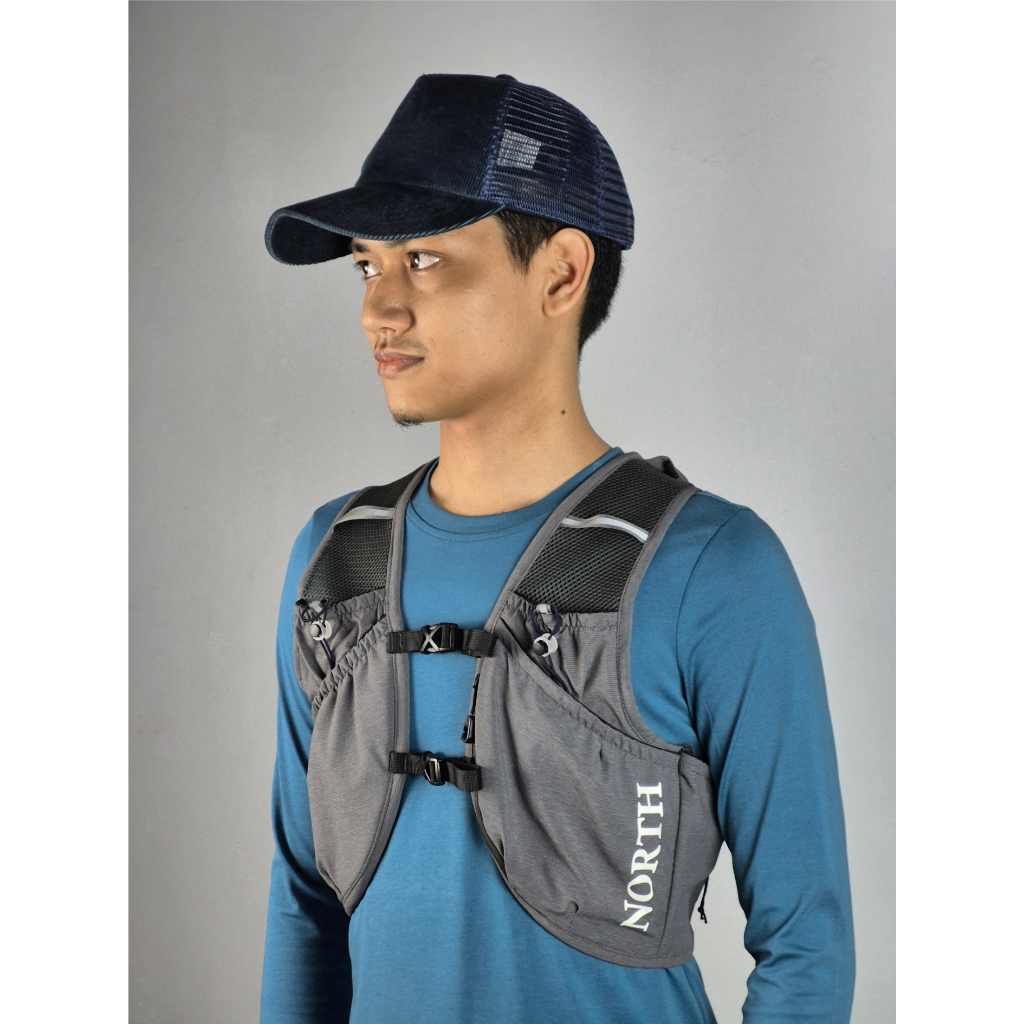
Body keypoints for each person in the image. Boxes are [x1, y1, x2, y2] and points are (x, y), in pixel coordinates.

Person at [259, 73, 855, 1024]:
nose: (379, 310)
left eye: (424, 259)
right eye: (366, 266)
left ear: (562, 273)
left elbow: (807, 946)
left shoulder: (713, 567)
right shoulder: (334, 562)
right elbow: (304, 905)